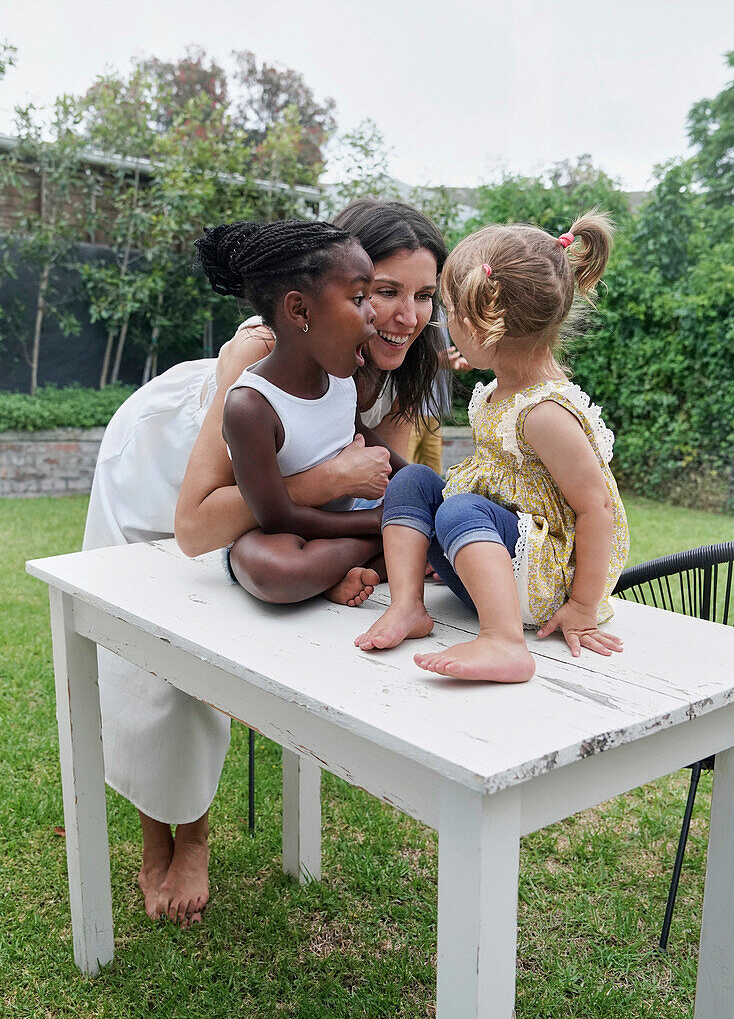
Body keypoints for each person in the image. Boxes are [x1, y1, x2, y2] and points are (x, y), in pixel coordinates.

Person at [82, 199, 448, 927]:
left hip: (270, 501)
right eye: (383, 292)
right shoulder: (256, 355)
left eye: (424, 295)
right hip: (168, 472)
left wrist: (381, 547)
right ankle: (178, 837)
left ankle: (185, 823)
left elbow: (384, 482)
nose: (405, 316)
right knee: (148, 659)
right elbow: (196, 523)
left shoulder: (411, 368)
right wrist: (332, 488)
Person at [355, 211, 630, 684]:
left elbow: (597, 508)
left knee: (461, 508)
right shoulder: (503, 392)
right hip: (496, 568)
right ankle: (407, 606)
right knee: (413, 479)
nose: (439, 326)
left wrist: (583, 605)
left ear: (480, 323)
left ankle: (504, 642)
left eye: (447, 313)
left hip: (544, 582)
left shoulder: (545, 414)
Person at [196, 217, 403, 605]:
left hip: (343, 523)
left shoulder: (340, 375)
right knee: (274, 571)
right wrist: (378, 523)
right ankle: (379, 551)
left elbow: (357, 433)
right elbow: (278, 517)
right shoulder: (251, 406)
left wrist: (415, 479)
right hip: (285, 535)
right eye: (359, 299)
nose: (373, 313)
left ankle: (339, 574)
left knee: (432, 507)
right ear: (300, 310)